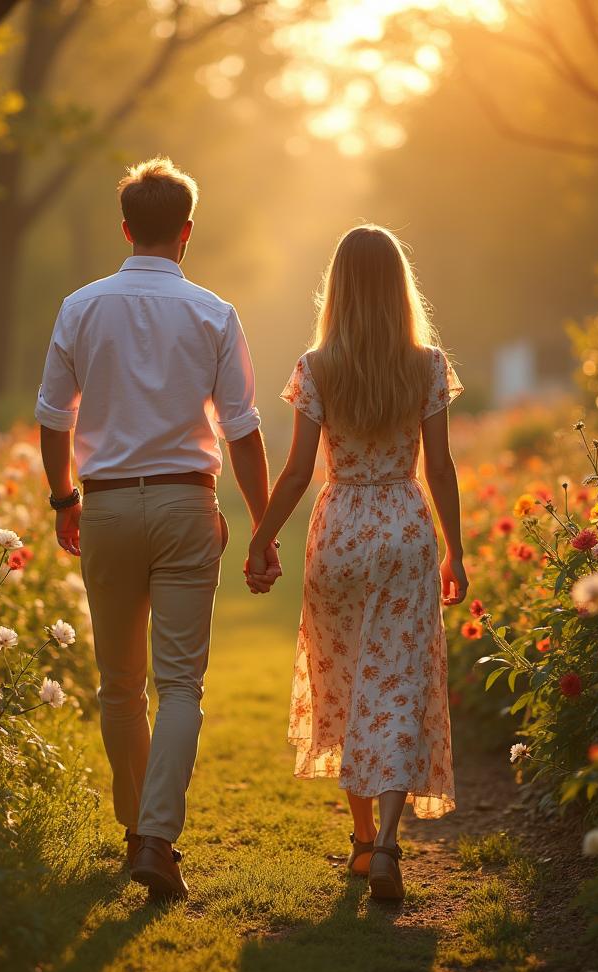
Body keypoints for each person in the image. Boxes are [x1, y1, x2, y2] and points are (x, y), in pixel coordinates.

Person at [35, 156, 280, 900]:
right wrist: (264, 526)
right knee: (180, 686)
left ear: (124, 229)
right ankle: (158, 836)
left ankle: (136, 830)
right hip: (183, 504)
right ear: (186, 231)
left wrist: (62, 501)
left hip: (104, 504)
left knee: (118, 686)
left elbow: (52, 417)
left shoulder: (80, 306)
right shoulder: (213, 312)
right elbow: (241, 430)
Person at [246, 224, 467, 901]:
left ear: (337, 287)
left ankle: (364, 841)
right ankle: (391, 847)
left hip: (339, 528)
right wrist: (456, 548)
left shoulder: (317, 367)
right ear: (400, 286)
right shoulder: (425, 364)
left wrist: (262, 538)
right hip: (403, 525)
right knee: (398, 684)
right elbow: (441, 466)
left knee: (343, 679)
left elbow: (294, 473)